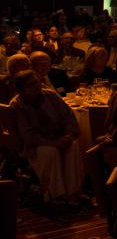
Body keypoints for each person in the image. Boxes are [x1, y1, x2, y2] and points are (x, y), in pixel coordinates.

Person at [10, 71, 84, 205]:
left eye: (37, 82)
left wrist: (68, 135)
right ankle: (56, 194)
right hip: (35, 145)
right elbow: (28, 135)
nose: (37, 86)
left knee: (72, 145)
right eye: (31, 85)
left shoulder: (50, 95)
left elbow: (68, 117)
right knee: (50, 152)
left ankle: (73, 192)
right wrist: (53, 143)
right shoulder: (18, 105)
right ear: (22, 89)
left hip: (58, 137)